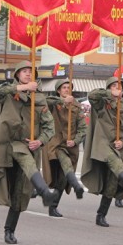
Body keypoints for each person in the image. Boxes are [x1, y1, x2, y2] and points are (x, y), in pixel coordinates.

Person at [0, 61, 58, 244]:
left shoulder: (39, 99)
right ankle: (43, 190)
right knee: (17, 175)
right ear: (18, 75)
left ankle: (9, 230)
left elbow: (49, 127)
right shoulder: (8, 92)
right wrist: (24, 88)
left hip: (27, 145)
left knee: (19, 193)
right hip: (8, 144)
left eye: (31, 72)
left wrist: (39, 140)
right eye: (24, 71)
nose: (28, 74)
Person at [81, 77, 123, 228]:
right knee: (115, 163)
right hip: (103, 144)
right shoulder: (102, 103)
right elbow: (93, 95)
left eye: (119, 86)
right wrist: (108, 92)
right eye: (113, 86)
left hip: (119, 147)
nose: (117, 88)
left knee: (111, 184)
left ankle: (101, 214)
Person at [41, 79, 86, 218]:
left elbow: (83, 128)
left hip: (70, 146)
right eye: (64, 88)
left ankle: (53, 207)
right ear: (59, 91)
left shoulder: (77, 107)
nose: (67, 90)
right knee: (64, 163)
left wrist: (76, 140)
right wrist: (63, 102)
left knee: (61, 179)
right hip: (55, 144)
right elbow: (46, 100)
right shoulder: (53, 103)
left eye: (69, 87)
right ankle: (76, 184)